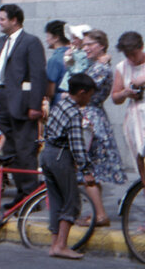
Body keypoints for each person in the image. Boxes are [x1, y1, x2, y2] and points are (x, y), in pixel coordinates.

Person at [0, 3, 47, 205]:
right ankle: (20, 192)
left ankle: (30, 195)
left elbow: (38, 75)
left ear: (14, 20)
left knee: (25, 147)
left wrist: (35, 105)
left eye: (2, 19)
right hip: (0, 97)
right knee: (9, 148)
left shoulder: (31, 42)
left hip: (21, 101)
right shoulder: (0, 42)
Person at [39, 72, 96, 260]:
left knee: (56, 201)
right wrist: (86, 170)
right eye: (89, 95)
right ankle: (62, 245)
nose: (89, 98)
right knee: (72, 202)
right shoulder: (73, 112)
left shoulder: (60, 105)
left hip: (47, 154)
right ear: (81, 92)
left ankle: (54, 244)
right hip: (60, 157)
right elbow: (77, 145)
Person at [77, 29, 125, 227]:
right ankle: (97, 212)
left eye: (90, 44)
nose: (85, 47)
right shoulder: (96, 65)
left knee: (87, 170)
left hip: (91, 119)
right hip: (91, 117)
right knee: (91, 170)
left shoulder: (101, 69)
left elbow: (81, 90)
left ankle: (101, 215)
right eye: (84, 44)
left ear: (101, 46)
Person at [113, 31, 145, 183]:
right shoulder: (122, 67)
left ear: (141, 48)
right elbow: (115, 97)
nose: (131, 58)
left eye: (134, 54)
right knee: (140, 154)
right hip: (136, 115)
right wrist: (125, 93)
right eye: (127, 55)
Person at [44, 20, 70, 106]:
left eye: (48, 36)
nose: (46, 39)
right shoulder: (77, 55)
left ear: (56, 37)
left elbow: (50, 91)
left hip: (59, 103)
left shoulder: (55, 59)